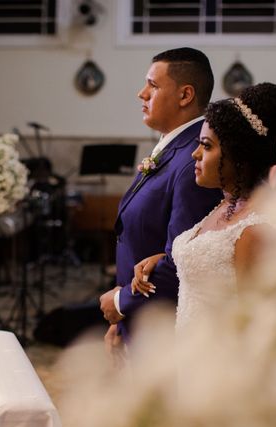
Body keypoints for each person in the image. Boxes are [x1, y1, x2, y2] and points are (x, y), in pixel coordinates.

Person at [130, 83, 276, 427]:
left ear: (238, 155)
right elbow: (210, 261)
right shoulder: (224, 207)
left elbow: (262, 330)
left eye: (207, 146)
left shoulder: (257, 229)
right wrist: (165, 257)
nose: (195, 154)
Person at [99, 47, 222, 354]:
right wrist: (121, 321)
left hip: (164, 332)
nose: (142, 94)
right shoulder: (173, 149)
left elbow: (183, 259)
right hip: (139, 321)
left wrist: (120, 303)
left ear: (185, 95)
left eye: (152, 85)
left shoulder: (193, 162)